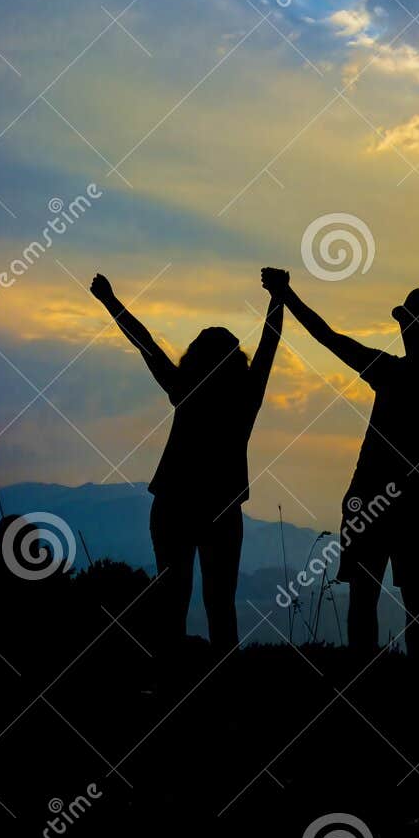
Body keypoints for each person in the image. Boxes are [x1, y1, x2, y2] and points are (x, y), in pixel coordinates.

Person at [260, 244, 419, 659]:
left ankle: (364, 685)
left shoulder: (389, 370)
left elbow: (327, 336)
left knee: (367, 596)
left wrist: (286, 295)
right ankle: (418, 690)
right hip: (415, 501)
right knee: (415, 601)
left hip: (370, 496)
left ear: (407, 328)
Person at [91, 272, 283, 651]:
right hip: (221, 512)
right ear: (235, 362)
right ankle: (220, 689)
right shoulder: (244, 397)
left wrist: (110, 300)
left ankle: (170, 685)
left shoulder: (185, 390)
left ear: (195, 358)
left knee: (173, 601)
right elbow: (269, 344)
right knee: (220, 606)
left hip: (174, 507)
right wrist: (278, 297)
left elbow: (145, 344)